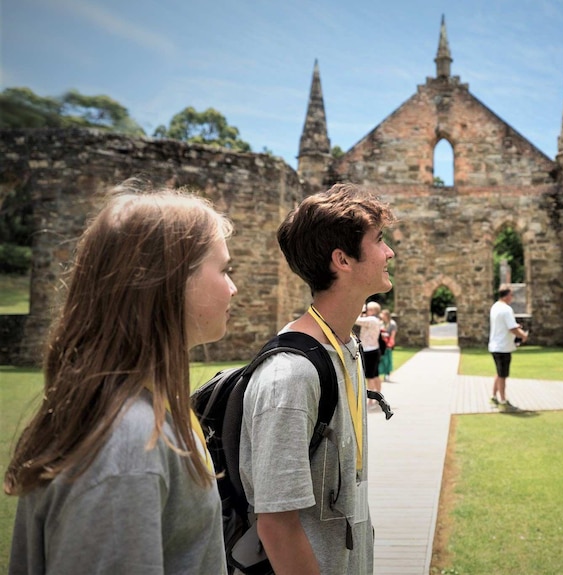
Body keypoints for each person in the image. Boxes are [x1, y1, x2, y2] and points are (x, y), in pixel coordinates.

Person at [5, 184, 235, 574]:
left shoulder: (144, 413)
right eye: (225, 270)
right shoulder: (129, 445)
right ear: (169, 281)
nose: (233, 288)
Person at [240, 183, 395, 574]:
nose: (389, 252)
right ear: (342, 260)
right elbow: (275, 524)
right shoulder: (289, 377)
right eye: (379, 240)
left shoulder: (349, 349)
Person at [488, 287, 529, 411]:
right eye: (511, 295)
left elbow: (505, 326)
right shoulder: (506, 309)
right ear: (506, 296)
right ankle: (504, 401)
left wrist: (516, 328)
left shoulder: (495, 307)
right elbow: (512, 328)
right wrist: (523, 335)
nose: (512, 298)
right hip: (503, 347)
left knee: (499, 372)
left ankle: (494, 397)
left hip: (495, 345)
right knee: (503, 375)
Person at [356, 300, 384, 400]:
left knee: (369, 376)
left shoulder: (371, 320)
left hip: (369, 350)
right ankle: (379, 395)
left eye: (367, 309)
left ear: (372, 310)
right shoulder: (376, 320)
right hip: (374, 349)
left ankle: (371, 400)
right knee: (375, 374)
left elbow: (356, 320)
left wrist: (360, 310)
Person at [379, 308, 398, 381]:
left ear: (386, 315)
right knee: (381, 359)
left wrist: (390, 344)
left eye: (382, 314)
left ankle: (387, 374)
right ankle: (381, 374)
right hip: (381, 343)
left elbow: (393, 335)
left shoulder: (392, 324)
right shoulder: (380, 323)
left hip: (388, 344)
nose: (381, 316)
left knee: (388, 359)